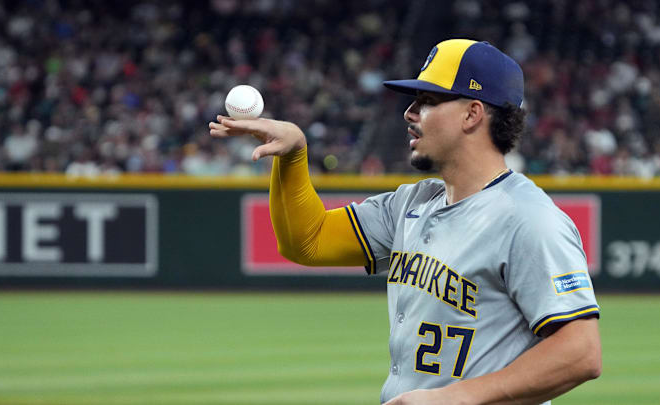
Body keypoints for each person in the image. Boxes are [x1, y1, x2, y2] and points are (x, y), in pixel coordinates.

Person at [209, 39, 601, 405]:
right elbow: (307, 241)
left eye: (427, 100)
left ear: (472, 113)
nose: (409, 113)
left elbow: (581, 352)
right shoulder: (412, 203)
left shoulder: (530, 219)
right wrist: (294, 154)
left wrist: (455, 397)